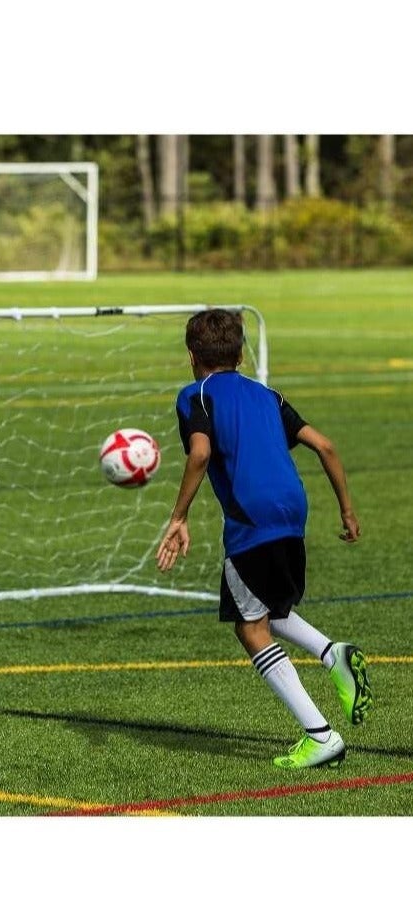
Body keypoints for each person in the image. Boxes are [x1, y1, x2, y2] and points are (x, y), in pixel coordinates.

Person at [156, 308, 373, 769]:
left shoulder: (196, 395)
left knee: (249, 626)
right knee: (268, 607)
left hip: (251, 519)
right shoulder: (269, 395)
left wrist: (179, 517)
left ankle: (320, 734)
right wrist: (347, 511)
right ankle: (332, 653)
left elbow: (200, 452)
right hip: (293, 512)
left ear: (191, 354)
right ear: (239, 354)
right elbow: (326, 445)